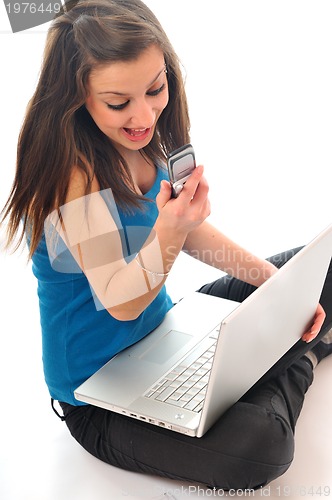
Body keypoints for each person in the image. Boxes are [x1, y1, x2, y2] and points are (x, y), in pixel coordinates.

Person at [1, 0, 331, 491]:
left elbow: (192, 234)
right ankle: (298, 360)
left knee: (320, 270)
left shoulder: (144, 140)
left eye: (155, 89)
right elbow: (122, 303)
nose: (144, 114)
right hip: (99, 398)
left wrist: (277, 286)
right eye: (118, 102)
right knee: (261, 447)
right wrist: (171, 229)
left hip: (166, 331)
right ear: (77, 97)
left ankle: (265, 359)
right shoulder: (74, 177)